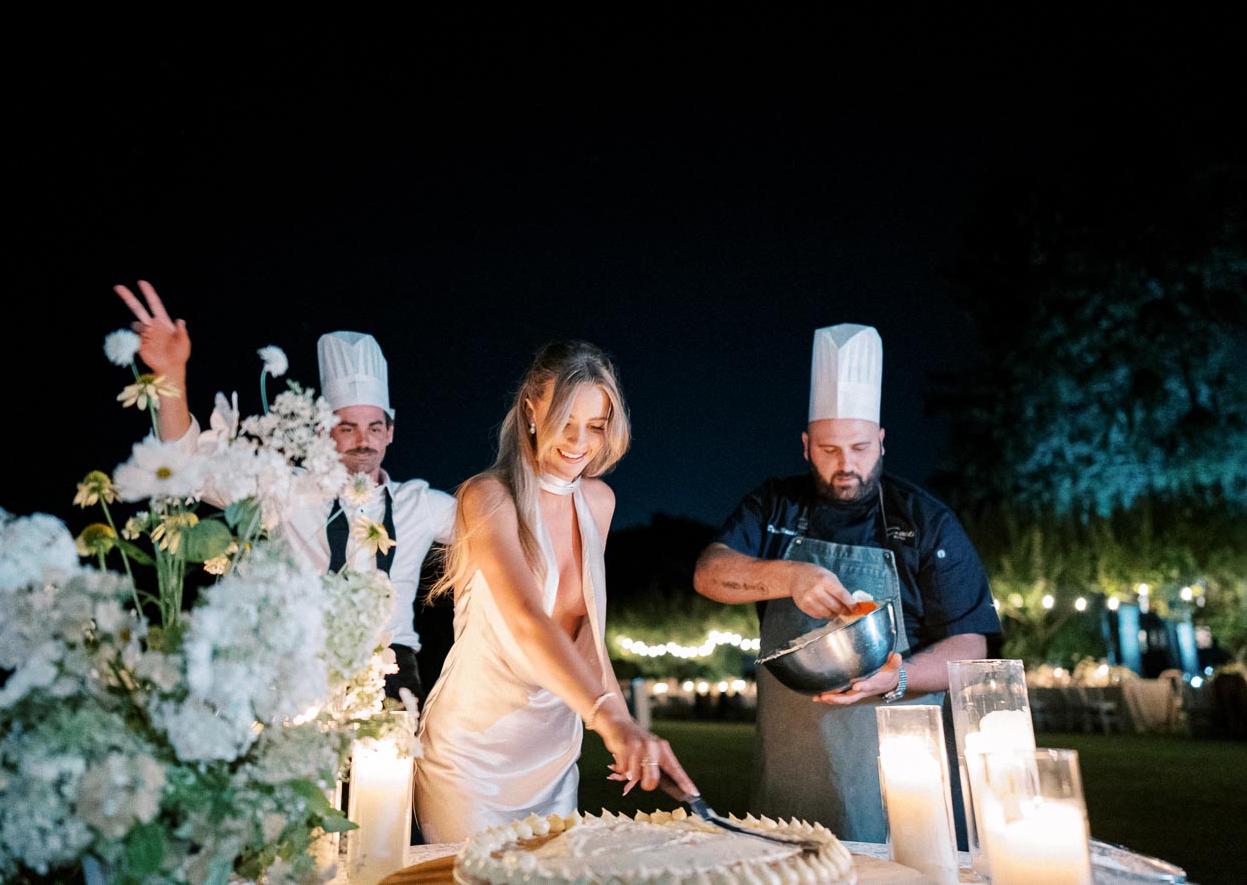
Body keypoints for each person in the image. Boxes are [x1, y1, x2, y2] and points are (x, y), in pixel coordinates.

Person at [693, 322, 1000, 845]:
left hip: (899, 758)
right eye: (829, 449)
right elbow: (709, 572)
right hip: (792, 763)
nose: (846, 466)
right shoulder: (775, 506)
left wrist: (895, 679)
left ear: (881, 441)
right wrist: (789, 576)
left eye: (860, 448)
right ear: (806, 444)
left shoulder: (925, 521)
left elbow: (971, 647)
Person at [114, 280, 456, 702]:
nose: (362, 440)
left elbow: (502, 525)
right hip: (298, 670)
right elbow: (187, 469)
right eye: (346, 428)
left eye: (374, 427)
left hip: (392, 674)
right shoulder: (282, 487)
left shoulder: (420, 504)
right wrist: (170, 373)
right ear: (321, 431)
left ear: (390, 432)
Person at [412, 340, 696, 843]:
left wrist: (630, 730)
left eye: (595, 425)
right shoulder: (488, 496)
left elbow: (585, 629)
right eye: (566, 421)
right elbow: (527, 619)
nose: (578, 442)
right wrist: (607, 719)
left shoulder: (599, 502)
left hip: (554, 752)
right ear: (530, 410)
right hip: (472, 756)